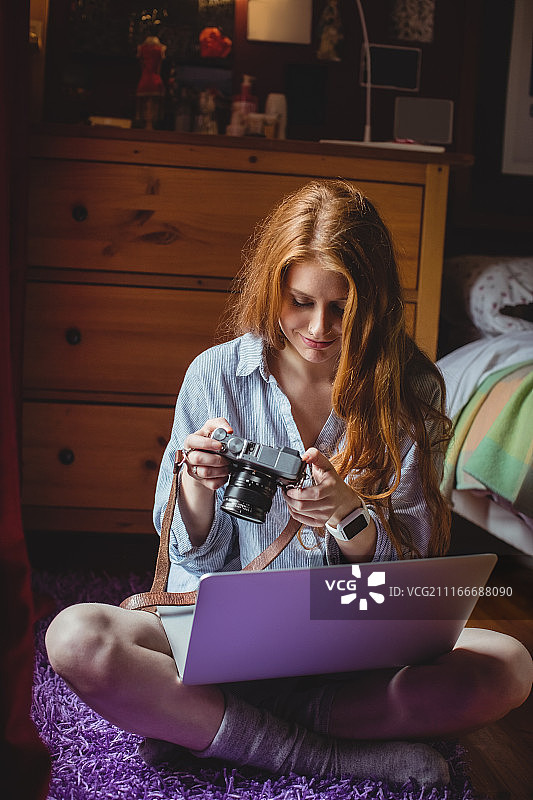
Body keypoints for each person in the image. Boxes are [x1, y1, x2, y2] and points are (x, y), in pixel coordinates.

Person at [45, 180, 532, 788]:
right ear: (272, 287)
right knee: (76, 638)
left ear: (373, 300)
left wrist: (350, 516)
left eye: (341, 306)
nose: (318, 328)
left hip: (347, 648)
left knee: (508, 669)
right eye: (300, 301)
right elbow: (190, 557)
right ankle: (323, 756)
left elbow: (418, 563)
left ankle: (212, 728)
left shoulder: (411, 388)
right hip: (219, 640)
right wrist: (198, 485)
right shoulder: (218, 374)